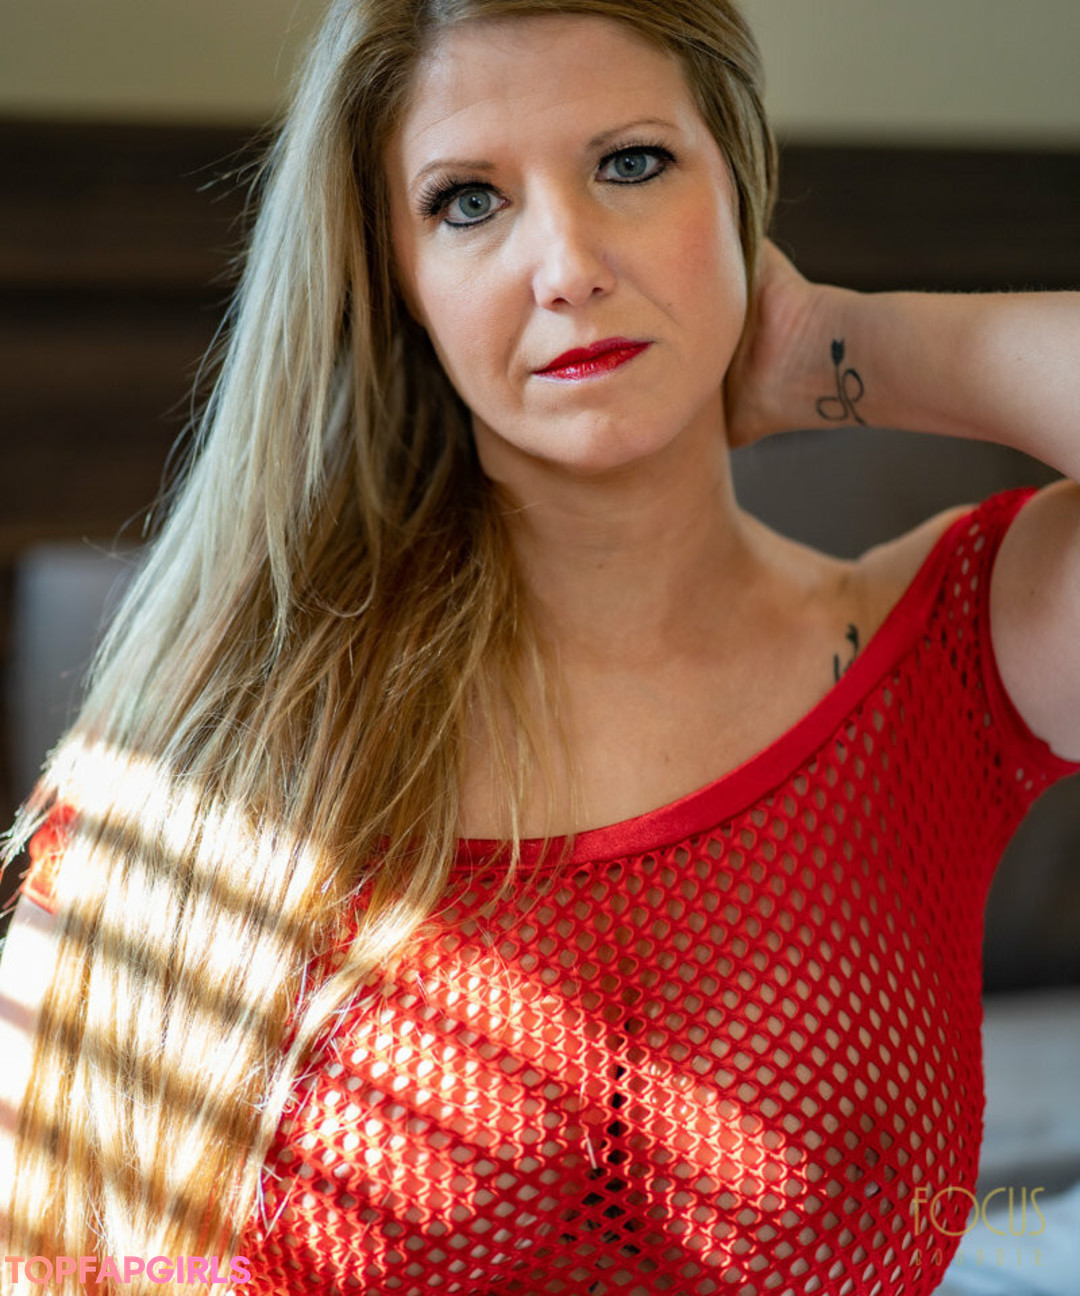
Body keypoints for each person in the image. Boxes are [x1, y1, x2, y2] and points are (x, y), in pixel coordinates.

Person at [1, 0, 1078, 1292]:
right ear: (397, 278)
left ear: (737, 188)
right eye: (469, 202)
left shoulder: (935, 653)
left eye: (632, 163)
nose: (566, 265)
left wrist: (835, 347)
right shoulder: (226, 729)